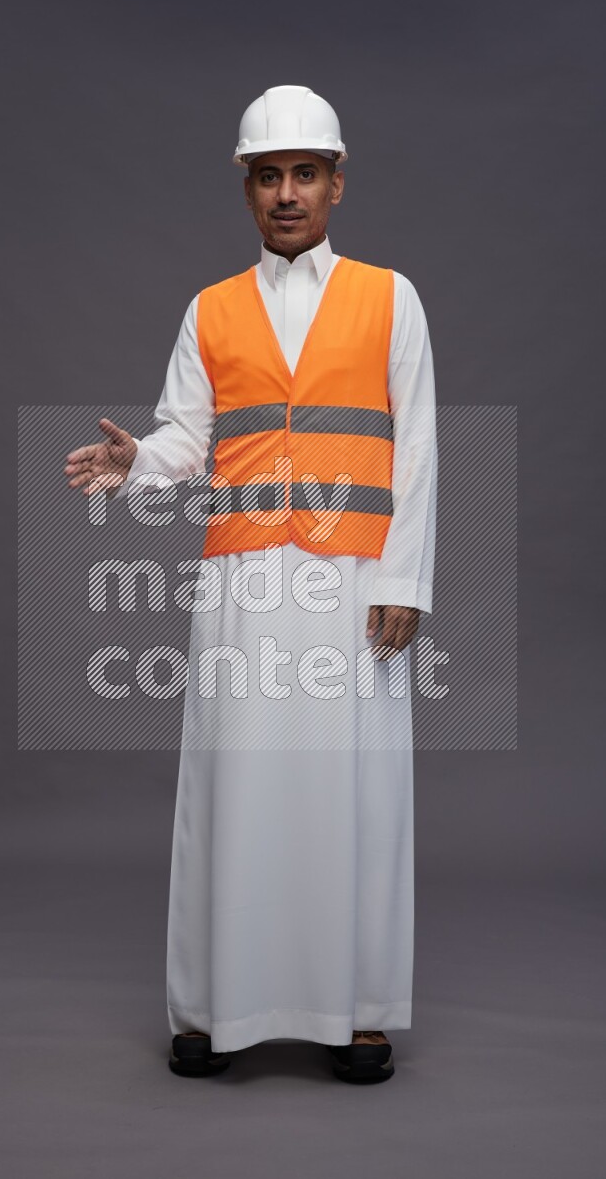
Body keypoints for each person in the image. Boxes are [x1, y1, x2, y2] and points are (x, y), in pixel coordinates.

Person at [64, 85, 437, 1084]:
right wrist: (136, 461)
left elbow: (417, 448)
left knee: (355, 785)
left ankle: (357, 1008)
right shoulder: (210, 309)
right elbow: (190, 434)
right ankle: (211, 1008)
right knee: (231, 782)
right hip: (242, 577)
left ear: (335, 183)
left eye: (303, 174)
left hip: (355, 575)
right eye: (267, 175)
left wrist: (405, 577)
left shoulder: (390, 297)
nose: (285, 193)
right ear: (245, 189)